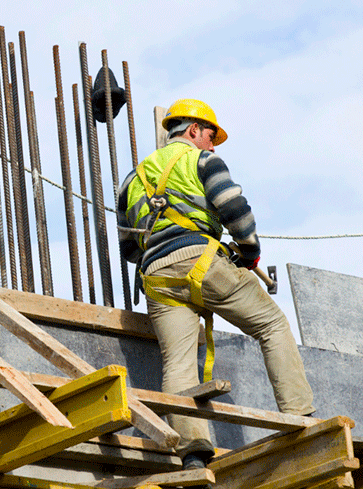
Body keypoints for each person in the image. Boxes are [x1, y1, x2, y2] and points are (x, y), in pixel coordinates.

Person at [116, 98, 315, 469]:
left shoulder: (131, 179)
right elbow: (235, 210)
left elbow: (128, 247)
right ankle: (301, 416)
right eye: (210, 136)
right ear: (193, 130)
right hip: (203, 262)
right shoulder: (202, 160)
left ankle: (192, 452)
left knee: (177, 363)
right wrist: (250, 252)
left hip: (156, 277)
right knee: (272, 325)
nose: (212, 144)